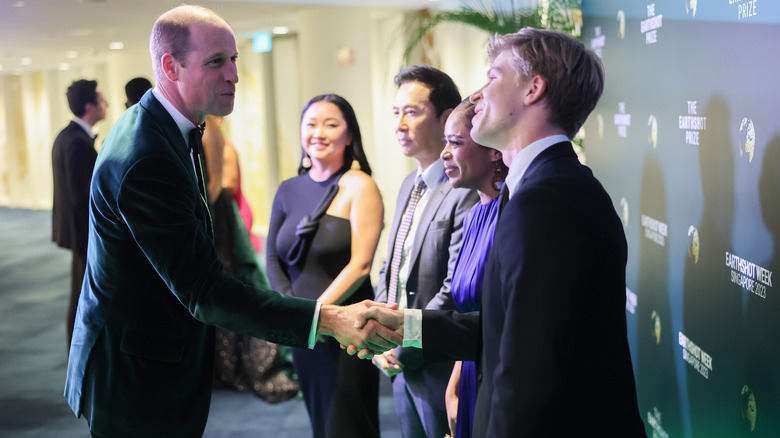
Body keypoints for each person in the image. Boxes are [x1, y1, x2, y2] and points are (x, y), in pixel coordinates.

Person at [63, 6, 399, 438]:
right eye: (216, 62)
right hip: (134, 374)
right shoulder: (145, 153)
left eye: (234, 59)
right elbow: (204, 290)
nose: (234, 75)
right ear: (170, 66)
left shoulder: (174, 127)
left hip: (153, 355)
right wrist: (329, 319)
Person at [356, 28, 646, 437]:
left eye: (492, 77)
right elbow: (507, 330)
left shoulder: (548, 199)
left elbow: (529, 372)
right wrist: (408, 324)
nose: (479, 95)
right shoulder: (534, 190)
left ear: (533, 89)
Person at [265, 94, 384, 438]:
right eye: (311, 123)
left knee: (347, 425)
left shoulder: (359, 185)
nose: (319, 132)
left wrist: (316, 315)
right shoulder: (288, 189)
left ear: (349, 136)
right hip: (305, 331)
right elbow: (273, 258)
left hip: (346, 328)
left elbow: (360, 265)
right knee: (321, 422)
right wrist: (292, 311)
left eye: (331, 124)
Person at [373, 65, 478, 438]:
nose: (399, 124)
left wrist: (402, 345)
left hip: (438, 361)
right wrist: (379, 332)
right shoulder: (408, 185)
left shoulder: (465, 189)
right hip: (400, 360)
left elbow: (455, 287)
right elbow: (392, 267)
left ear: (446, 118)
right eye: (395, 112)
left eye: (412, 112)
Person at [201, 114, 298, 403]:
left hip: (224, 218)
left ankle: (240, 362)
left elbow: (220, 184)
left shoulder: (212, 135)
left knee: (238, 283)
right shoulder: (208, 132)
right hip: (224, 217)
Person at [440, 98, 506, 438]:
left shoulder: (512, 215)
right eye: (445, 143)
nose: (444, 154)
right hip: (469, 368)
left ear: (494, 150)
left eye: (456, 142)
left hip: (500, 374)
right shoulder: (473, 216)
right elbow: (467, 316)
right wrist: (453, 384)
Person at [51, 79, 107, 349]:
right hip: (82, 230)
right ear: (89, 106)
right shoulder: (76, 141)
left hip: (76, 229)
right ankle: (79, 348)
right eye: (101, 99)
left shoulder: (70, 136)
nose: (106, 103)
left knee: (81, 290)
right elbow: (80, 194)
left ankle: (79, 346)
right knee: (82, 293)